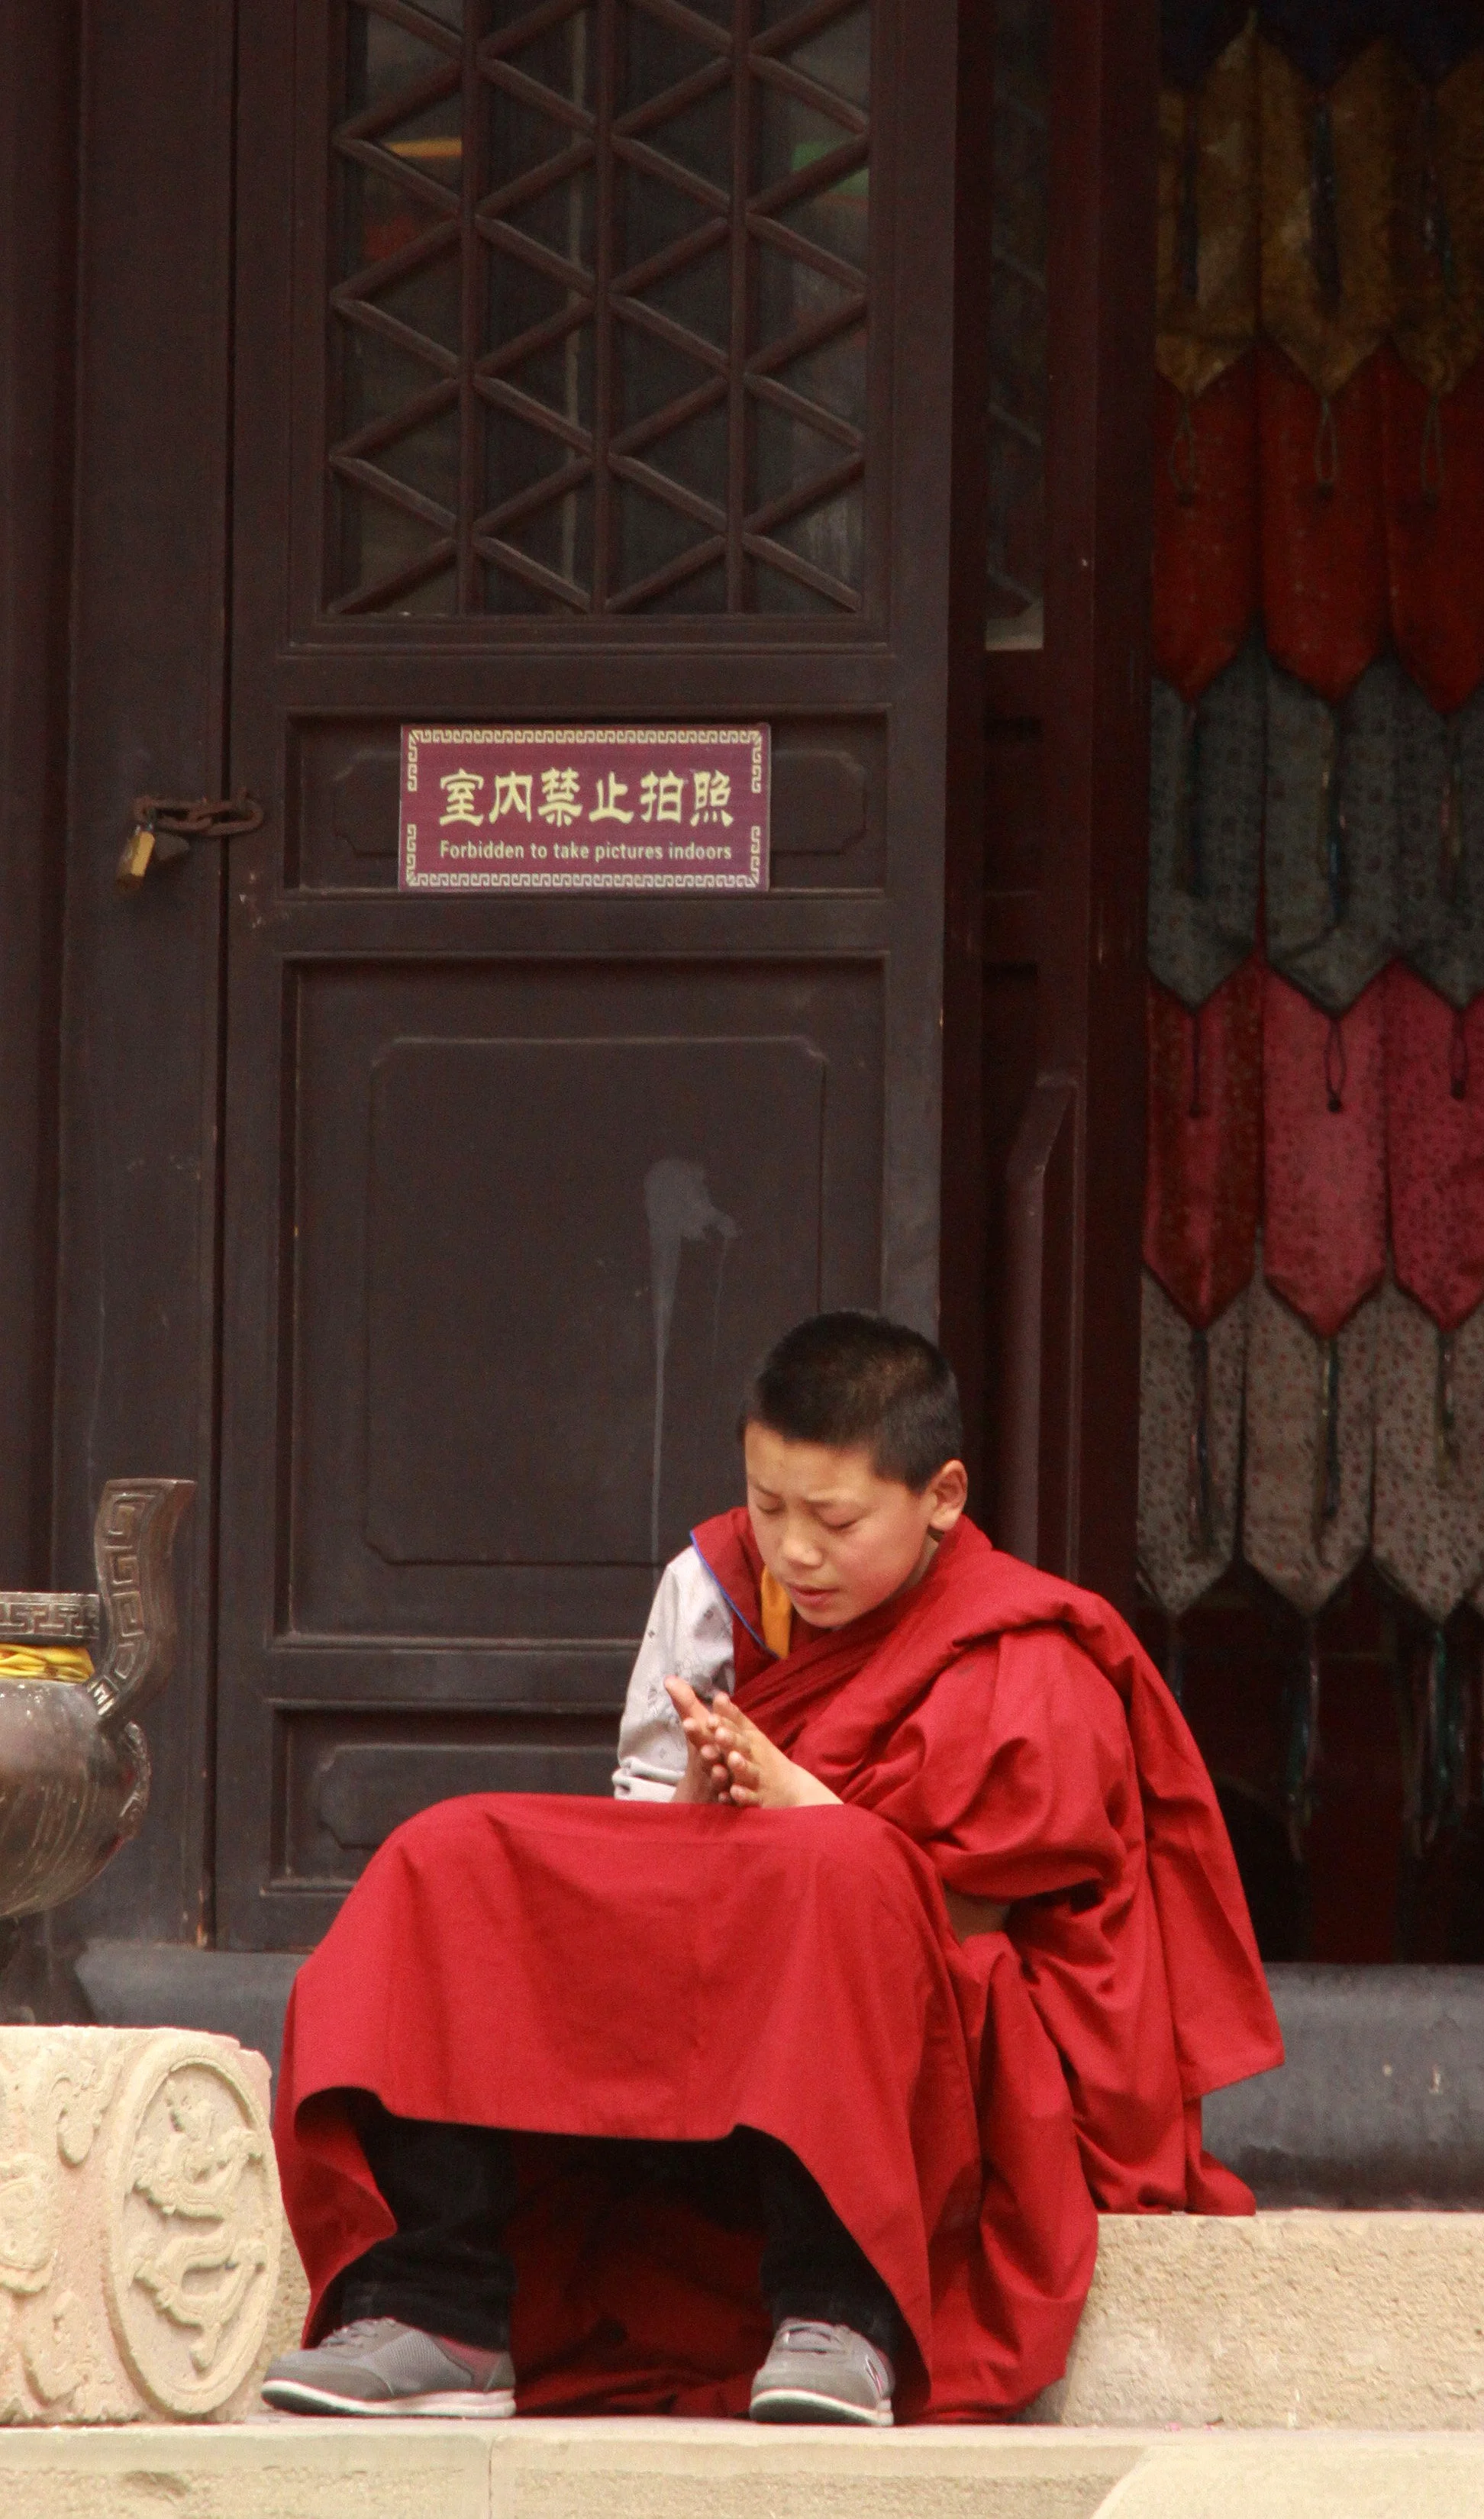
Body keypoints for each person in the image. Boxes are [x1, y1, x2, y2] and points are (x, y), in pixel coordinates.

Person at [263, 1313, 1282, 2425]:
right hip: (745, 1977)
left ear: (942, 1497)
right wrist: (709, 1814)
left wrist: (804, 1809)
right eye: (769, 1505)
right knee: (451, 1852)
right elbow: (655, 1847)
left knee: (837, 1870)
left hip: (925, 2035)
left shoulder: (1026, 1651)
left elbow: (972, 1917)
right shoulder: (718, 1590)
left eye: (834, 1520)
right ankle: (441, 2308)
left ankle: (842, 2314)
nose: (793, 1551)